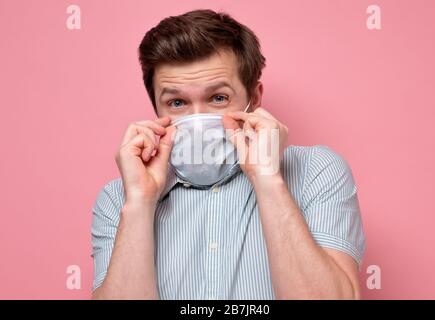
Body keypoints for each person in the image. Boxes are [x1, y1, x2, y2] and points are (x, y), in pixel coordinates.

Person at [91, 9, 365, 300]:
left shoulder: (315, 172)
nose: (197, 118)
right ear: (157, 111)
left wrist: (267, 179)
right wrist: (140, 203)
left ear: (254, 98)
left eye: (218, 98)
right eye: (177, 102)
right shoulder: (118, 198)